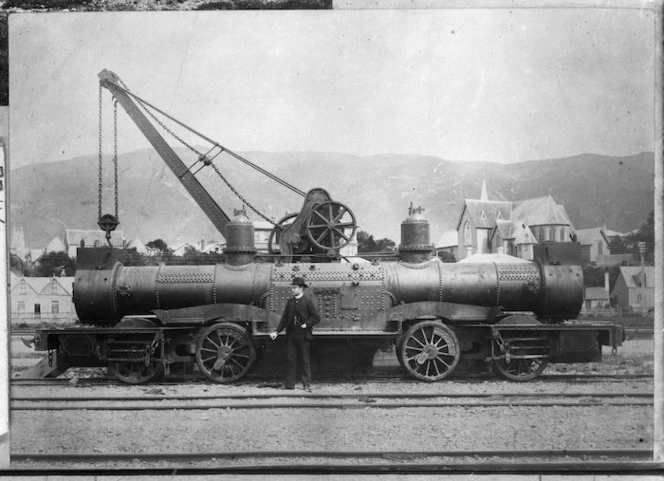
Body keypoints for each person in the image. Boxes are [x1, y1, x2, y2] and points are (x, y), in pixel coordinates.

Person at [270, 276, 320, 391]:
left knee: (305, 360)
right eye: (292, 287)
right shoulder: (290, 302)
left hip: (303, 335)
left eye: (295, 288)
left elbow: (316, 317)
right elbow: (284, 319)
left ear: (301, 288)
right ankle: (289, 385)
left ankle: (306, 385)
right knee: (291, 359)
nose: (292, 289)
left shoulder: (307, 301)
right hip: (291, 335)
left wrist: (306, 324)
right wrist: (276, 332)